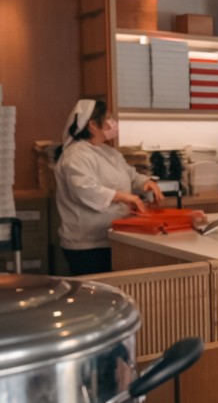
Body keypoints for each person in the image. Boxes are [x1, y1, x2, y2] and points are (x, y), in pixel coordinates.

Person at [54, 99, 162, 275]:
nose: (113, 123)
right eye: (108, 118)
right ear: (92, 125)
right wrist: (124, 197)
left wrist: (145, 183)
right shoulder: (75, 155)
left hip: (114, 237)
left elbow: (130, 175)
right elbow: (85, 189)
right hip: (87, 244)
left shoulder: (109, 152)